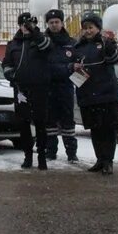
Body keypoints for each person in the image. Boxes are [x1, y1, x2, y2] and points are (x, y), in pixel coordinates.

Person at [2, 12, 52, 170]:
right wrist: (11, 75)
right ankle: (27, 155)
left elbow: (47, 47)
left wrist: (34, 32)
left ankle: (42, 156)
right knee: (23, 124)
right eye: (23, 25)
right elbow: (7, 63)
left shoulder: (41, 40)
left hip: (40, 88)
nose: (26, 28)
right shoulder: (13, 44)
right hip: (21, 89)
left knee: (40, 123)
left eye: (29, 24)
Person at [73, 11, 118, 175]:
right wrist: (73, 68)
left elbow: (114, 59)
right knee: (95, 129)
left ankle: (109, 161)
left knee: (108, 129)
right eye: (85, 28)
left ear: (98, 28)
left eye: (91, 27)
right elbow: (71, 68)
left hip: (106, 94)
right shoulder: (78, 47)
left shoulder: (105, 42)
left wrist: (110, 45)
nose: (87, 31)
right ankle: (100, 159)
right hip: (87, 95)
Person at [43, 9, 79, 163]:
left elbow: (79, 65)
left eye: (57, 22)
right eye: (51, 23)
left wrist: (72, 73)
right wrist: (67, 68)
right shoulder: (44, 43)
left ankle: (71, 153)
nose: (54, 25)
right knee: (49, 122)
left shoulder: (71, 44)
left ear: (62, 23)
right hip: (49, 88)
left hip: (66, 88)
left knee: (68, 122)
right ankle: (51, 151)